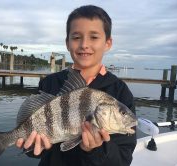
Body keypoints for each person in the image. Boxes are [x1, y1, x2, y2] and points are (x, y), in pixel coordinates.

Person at [16, 5, 136, 166]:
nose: (84, 44)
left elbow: (122, 160)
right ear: (67, 43)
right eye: (76, 37)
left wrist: (96, 149)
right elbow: (35, 150)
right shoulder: (49, 82)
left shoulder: (120, 91)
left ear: (107, 43)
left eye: (94, 37)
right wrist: (32, 147)